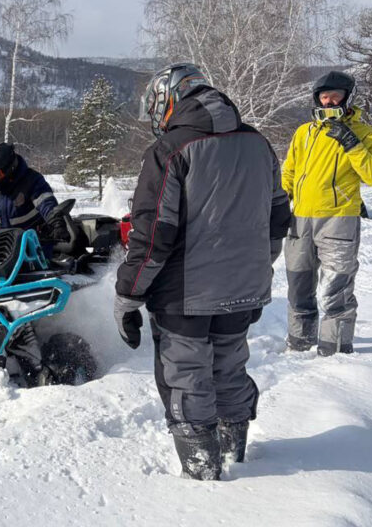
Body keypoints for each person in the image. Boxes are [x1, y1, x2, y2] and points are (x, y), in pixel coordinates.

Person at [114, 64, 290, 481]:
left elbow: (153, 233)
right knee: (229, 369)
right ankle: (234, 453)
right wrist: (258, 271)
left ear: (168, 100)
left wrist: (128, 295)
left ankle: (204, 479)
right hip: (243, 286)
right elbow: (277, 216)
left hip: (185, 293)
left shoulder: (171, 150)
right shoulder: (258, 143)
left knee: (187, 378)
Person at [282, 71, 372, 356]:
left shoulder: (365, 135)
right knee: (298, 284)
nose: (329, 101)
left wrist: (351, 143)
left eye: (336, 96)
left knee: (335, 288)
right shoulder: (305, 132)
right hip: (300, 219)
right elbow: (289, 171)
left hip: (338, 220)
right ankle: (299, 342)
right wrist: (281, 201)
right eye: (324, 96)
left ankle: (335, 350)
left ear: (348, 98)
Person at [0, 142, 67, 246]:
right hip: (5, 242)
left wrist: (57, 223)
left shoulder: (32, 180)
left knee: (39, 263)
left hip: (35, 241)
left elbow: (46, 203)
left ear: (10, 169)